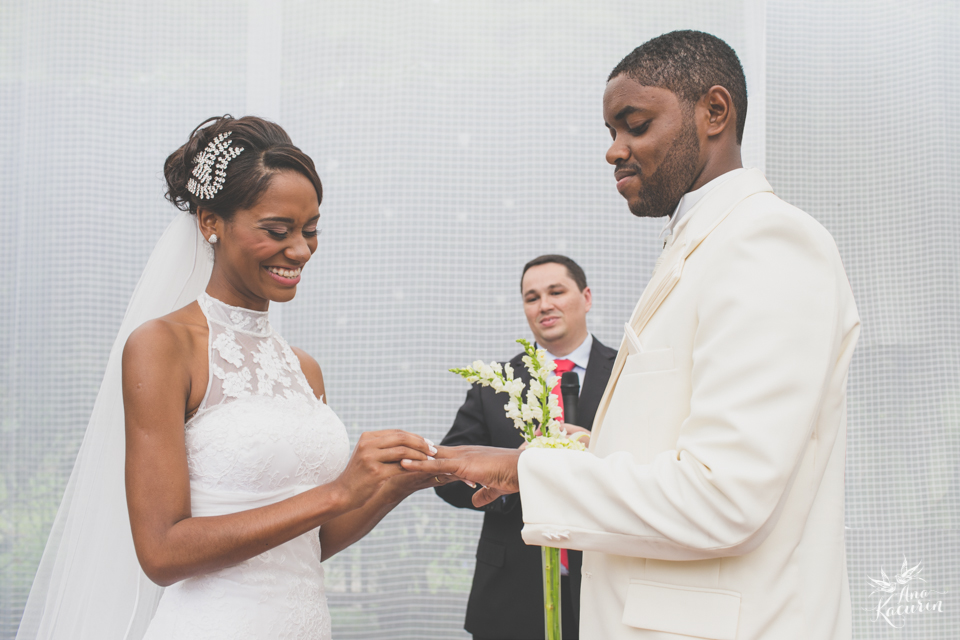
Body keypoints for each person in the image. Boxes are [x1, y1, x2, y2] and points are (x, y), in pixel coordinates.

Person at [406, 30, 860, 640]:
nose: (613, 150)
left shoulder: (766, 242)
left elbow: (725, 497)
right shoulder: (700, 244)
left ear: (714, 112)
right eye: (611, 131)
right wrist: (594, 450)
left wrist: (527, 470)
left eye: (635, 125)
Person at [17, 115, 445, 640]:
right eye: (277, 231)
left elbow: (306, 544)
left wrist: (393, 484)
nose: (301, 250)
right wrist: (337, 493)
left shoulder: (304, 368)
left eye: (311, 230)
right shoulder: (163, 347)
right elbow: (161, 553)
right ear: (209, 222)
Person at [435, 255, 616, 640]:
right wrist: (507, 479)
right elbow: (447, 476)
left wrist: (597, 452)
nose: (544, 305)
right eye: (532, 297)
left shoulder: (627, 372)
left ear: (586, 297)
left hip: (608, 587)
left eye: (556, 292)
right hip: (513, 594)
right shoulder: (494, 383)